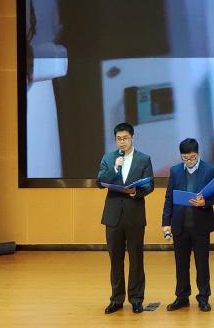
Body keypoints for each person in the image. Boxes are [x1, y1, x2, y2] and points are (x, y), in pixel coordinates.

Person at [96, 122, 154, 314]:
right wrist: (114, 168)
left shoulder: (144, 159)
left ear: (132, 138)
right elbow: (99, 181)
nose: (122, 142)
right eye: (119, 139)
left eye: (125, 138)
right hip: (113, 216)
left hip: (134, 214)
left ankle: (136, 299)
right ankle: (116, 299)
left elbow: (150, 185)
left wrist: (135, 192)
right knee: (116, 259)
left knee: (136, 259)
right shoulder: (109, 158)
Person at [162, 138, 214, 312]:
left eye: (192, 157)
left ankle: (203, 297)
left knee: (202, 264)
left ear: (198, 154)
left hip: (201, 224)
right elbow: (169, 197)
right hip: (179, 224)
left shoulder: (209, 169)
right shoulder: (175, 171)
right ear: (181, 156)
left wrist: (205, 202)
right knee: (181, 264)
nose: (189, 161)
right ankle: (182, 297)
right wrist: (166, 222)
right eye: (185, 158)